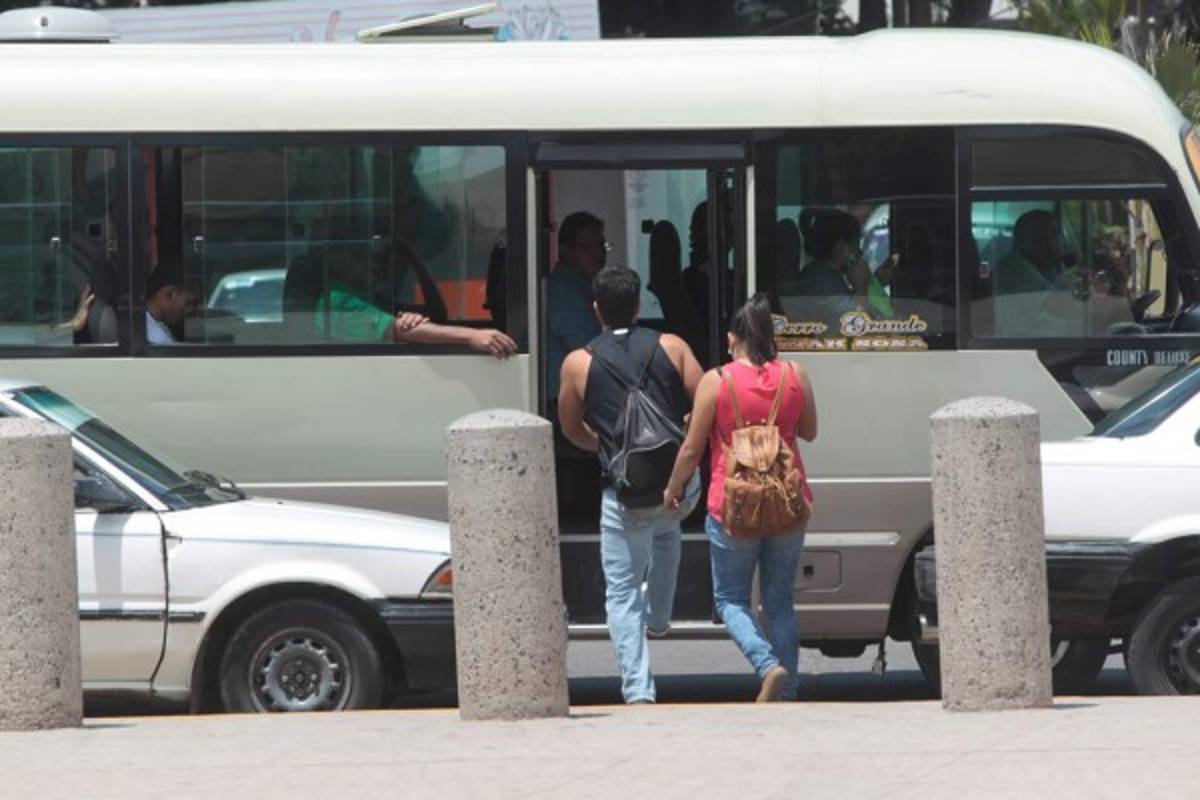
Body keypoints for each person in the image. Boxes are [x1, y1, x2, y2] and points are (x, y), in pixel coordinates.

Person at [557, 265, 703, 705]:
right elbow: (706, 401)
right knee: (667, 532)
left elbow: (570, 428)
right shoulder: (672, 346)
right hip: (678, 484)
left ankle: (639, 690)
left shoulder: (579, 363)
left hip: (624, 490)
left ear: (596, 308)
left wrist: (603, 444)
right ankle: (659, 616)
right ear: (639, 304)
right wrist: (682, 438)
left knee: (621, 591)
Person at [662, 293, 817, 702]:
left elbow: (692, 450)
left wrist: (674, 488)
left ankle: (768, 666)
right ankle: (789, 694)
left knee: (730, 599)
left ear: (733, 338)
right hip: (788, 500)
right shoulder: (795, 373)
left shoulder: (718, 380)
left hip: (733, 505)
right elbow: (810, 431)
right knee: (779, 601)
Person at [313, 245, 517, 357]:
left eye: (370, 255)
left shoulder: (368, 297)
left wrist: (413, 259)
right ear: (335, 262)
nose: (369, 262)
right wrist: (472, 337)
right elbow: (397, 330)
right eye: (358, 255)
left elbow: (437, 313)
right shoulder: (337, 301)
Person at [546, 211, 607, 405]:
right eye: (588, 246)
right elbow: (594, 354)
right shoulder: (567, 293)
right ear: (564, 250)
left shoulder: (584, 287)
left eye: (601, 245)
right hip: (564, 404)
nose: (599, 254)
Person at [145, 269, 192, 344]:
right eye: (188, 302)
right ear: (172, 294)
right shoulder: (155, 337)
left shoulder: (154, 323)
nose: (190, 311)